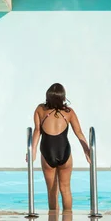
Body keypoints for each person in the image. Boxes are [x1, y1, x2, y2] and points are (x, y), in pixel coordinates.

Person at [32, 83, 90, 213]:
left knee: (52, 191)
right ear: (63, 97)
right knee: (65, 189)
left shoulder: (40, 110)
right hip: (64, 152)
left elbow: (37, 131)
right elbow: (79, 132)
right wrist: (86, 150)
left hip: (47, 153)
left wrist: (33, 151)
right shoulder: (68, 112)